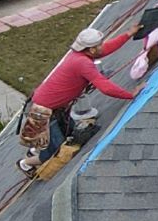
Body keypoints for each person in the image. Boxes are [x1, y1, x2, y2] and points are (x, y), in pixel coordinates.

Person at [30, 25, 140, 162]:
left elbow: (106, 48)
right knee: (55, 151)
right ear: (92, 49)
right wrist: (130, 95)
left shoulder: (79, 55)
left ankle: (37, 147)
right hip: (43, 111)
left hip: (52, 108)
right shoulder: (82, 63)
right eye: (99, 45)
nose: (102, 47)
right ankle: (27, 163)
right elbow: (105, 87)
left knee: (68, 135)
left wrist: (128, 34)